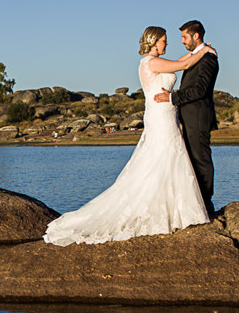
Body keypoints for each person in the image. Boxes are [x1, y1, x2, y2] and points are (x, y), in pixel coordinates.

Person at [43, 26, 213, 245]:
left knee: (166, 159)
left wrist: (199, 49)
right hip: (161, 117)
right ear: (154, 41)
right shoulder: (151, 62)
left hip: (164, 114)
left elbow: (182, 60)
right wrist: (204, 51)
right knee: (163, 156)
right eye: (164, 40)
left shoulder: (152, 62)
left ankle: (173, 210)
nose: (167, 43)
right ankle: (168, 211)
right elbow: (184, 65)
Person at [153, 21, 220, 218]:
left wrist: (172, 97)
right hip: (189, 118)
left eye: (184, 37)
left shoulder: (208, 58)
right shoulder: (198, 56)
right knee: (192, 159)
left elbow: (200, 90)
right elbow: (182, 63)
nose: (182, 41)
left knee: (201, 160)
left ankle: (206, 204)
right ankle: (196, 203)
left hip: (198, 117)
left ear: (196, 36)